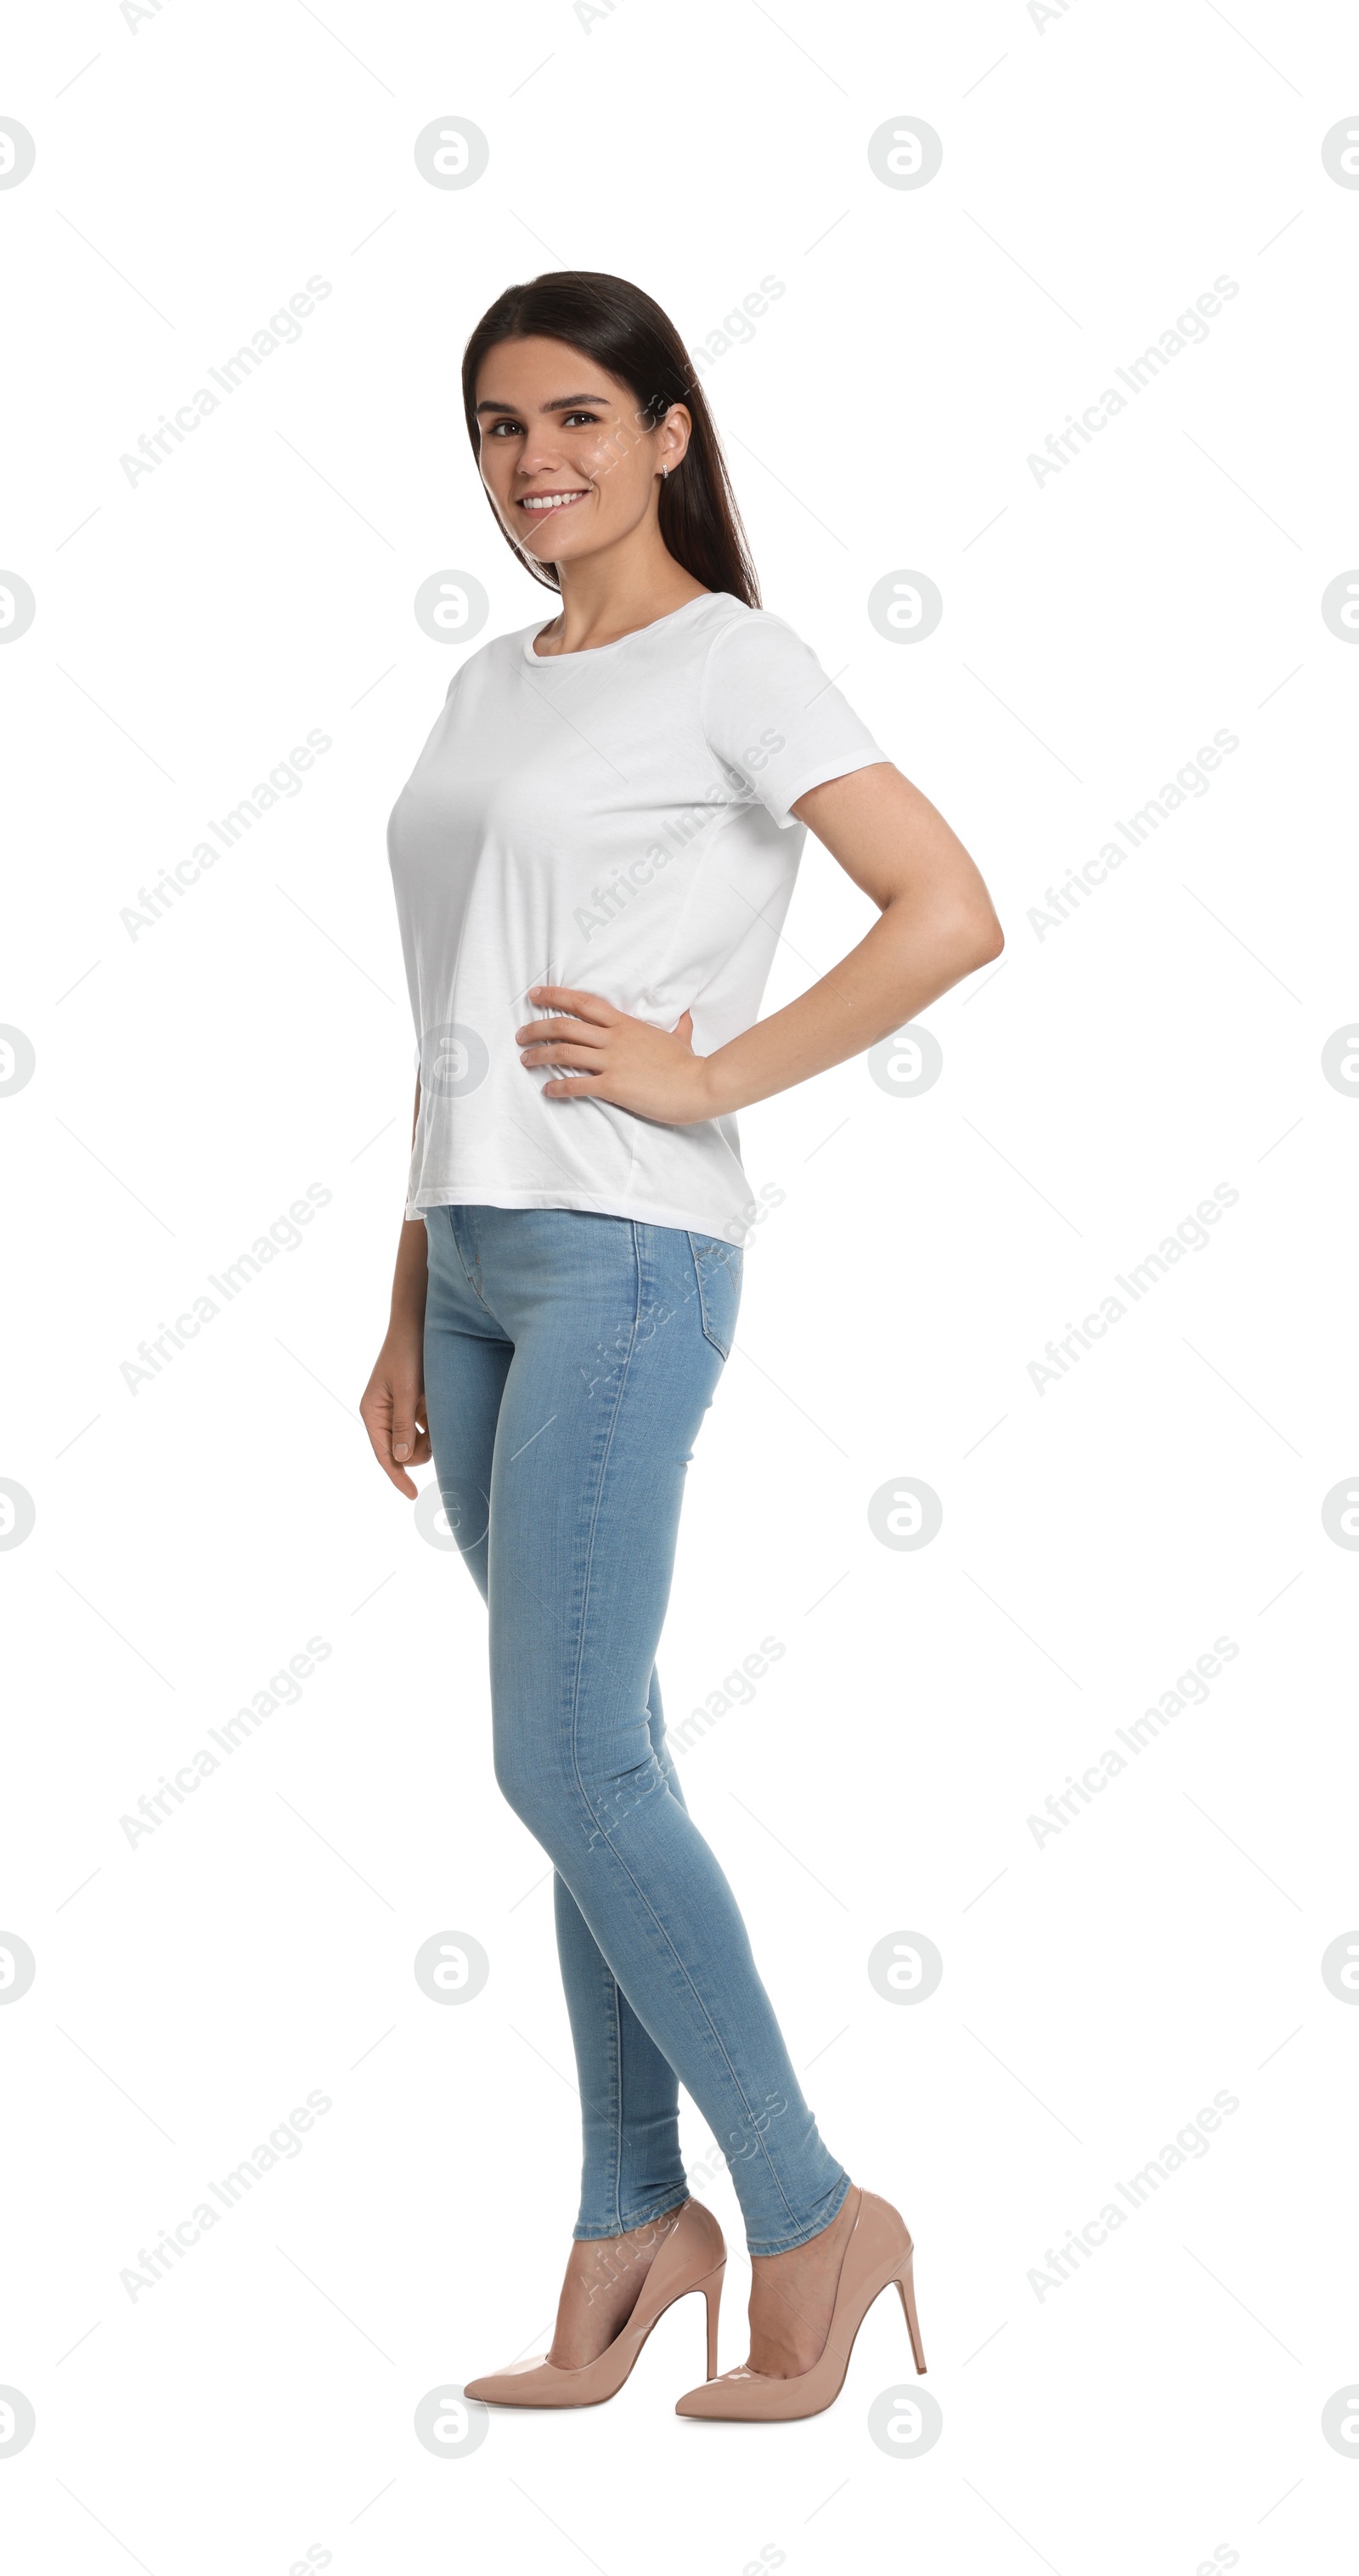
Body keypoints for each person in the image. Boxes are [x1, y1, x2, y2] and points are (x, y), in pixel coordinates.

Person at [360, 270, 1003, 2421]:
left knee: (565, 1757)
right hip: (469, 1274)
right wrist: (398, 1287)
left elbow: (945, 905)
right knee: (590, 1765)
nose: (529, 460)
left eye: (570, 417)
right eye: (492, 429)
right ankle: (633, 2215)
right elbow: (446, 1008)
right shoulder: (482, 682)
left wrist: (712, 1076)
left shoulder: (737, 661)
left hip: (628, 1262)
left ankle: (814, 2214)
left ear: (661, 433)